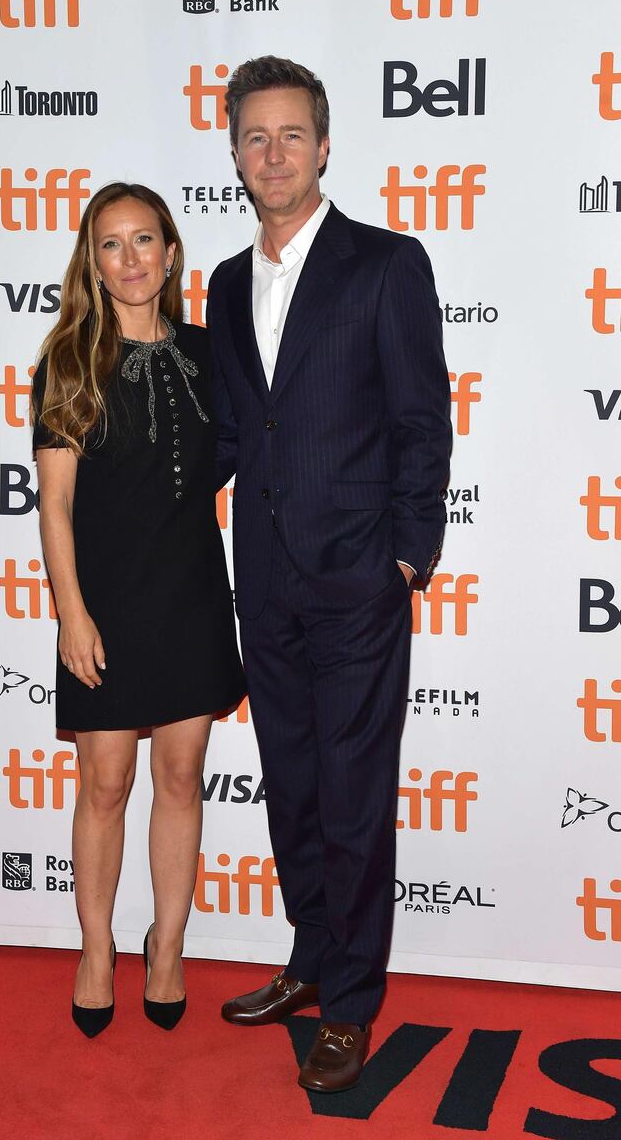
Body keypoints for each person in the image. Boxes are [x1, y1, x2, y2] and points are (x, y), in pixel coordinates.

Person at [207, 57, 452, 1092]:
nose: (273, 154)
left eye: (290, 135)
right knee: (295, 790)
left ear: (323, 144)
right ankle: (310, 959)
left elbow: (420, 422)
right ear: (233, 151)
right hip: (261, 581)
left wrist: (406, 554)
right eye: (254, 137)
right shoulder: (222, 282)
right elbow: (227, 432)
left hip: (356, 581)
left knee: (352, 795)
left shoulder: (383, 264)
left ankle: (350, 1000)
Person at [31, 182, 245, 1039]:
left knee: (182, 777)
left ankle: (168, 947)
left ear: (169, 252)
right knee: (106, 783)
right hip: (107, 605)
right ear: (93, 260)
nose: (130, 260)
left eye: (145, 240)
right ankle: (94, 950)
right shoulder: (69, 362)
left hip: (192, 593)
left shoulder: (206, 353)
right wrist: (70, 614)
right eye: (112, 244)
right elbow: (53, 506)